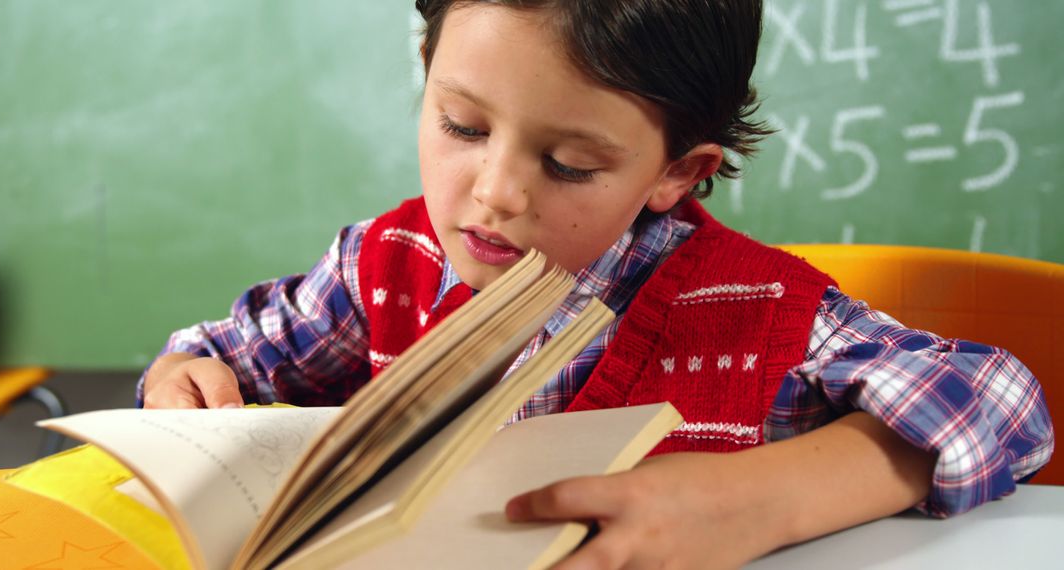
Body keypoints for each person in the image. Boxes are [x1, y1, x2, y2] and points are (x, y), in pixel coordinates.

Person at [139, 1, 1054, 567]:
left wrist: (760, 501)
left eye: (571, 164)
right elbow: (220, 355)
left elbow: (1003, 404)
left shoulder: (753, 316)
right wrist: (186, 380)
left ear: (675, 173)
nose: (493, 195)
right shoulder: (386, 267)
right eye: (461, 125)